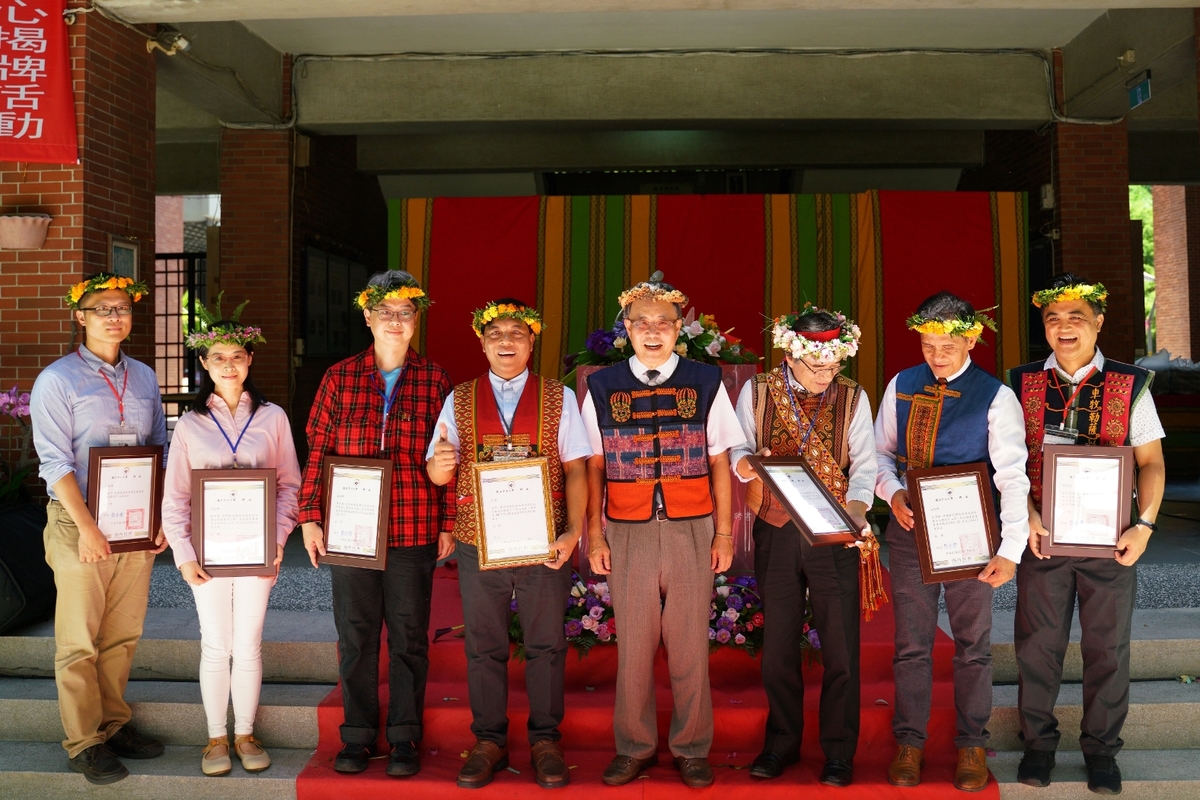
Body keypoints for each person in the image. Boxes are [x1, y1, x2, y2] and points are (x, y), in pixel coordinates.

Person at [581, 272, 744, 789]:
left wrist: (723, 534)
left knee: (690, 642)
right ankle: (634, 746)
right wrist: (597, 535)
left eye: (664, 324)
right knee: (634, 644)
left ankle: (692, 747)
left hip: (692, 526)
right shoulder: (602, 386)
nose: (653, 333)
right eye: (642, 323)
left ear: (681, 329)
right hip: (627, 530)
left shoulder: (705, 380)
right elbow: (594, 467)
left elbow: (720, 461)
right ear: (626, 329)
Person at [1009, 275, 1165, 795]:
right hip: (1042, 539)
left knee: (1108, 648)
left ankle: (1101, 751)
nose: (1063, 327)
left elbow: (1151, 462)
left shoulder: (1131, 382)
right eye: (1052, 318)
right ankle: (1038, 745)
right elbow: (1006, 464)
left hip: (1112, 541)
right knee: (1037, 647)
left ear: (1099, 321)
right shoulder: (1019, 382)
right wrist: (1026, 515)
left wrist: (1144, 526)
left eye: (1076, 316)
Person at [426, 298, 591, 789]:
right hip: (480, 541)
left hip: (544, 542)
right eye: (495, 333)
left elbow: (578, 466)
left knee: (545, 643)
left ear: (532, 341)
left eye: (516, 332)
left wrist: (573, 532)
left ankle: (545, 739)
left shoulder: (558, 397)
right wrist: (439, 463)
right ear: (481, 341)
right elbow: (438, 472)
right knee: (484, 645)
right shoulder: (458, 399)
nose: (505, 341)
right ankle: (489, 739)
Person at [297, 270, 455, 778]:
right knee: (356, 634)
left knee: (409, 636)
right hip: (350, 529)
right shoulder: (339, 377)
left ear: (416, 320)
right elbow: (317, 451)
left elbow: (451, 456)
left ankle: (405, 736)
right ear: (367, 317)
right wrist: (310, 515)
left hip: (414, 525)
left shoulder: (435, 380)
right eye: (384, 312)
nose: (394, 321)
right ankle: (359, 735)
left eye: (405, 313)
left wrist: (449, 520)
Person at [874, 292, 1030, 793]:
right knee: (911, 645)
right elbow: (879, 457)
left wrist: (1011, 549)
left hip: (972, 534)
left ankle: (971, 743)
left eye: (947, 345)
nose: (937, 355)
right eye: (927, 344)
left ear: (970, 339)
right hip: (909, 533)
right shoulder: (901, 384)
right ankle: (910, 743)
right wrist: (894, 494)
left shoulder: (996, 395)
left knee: (972, 647)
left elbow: (1012, 476)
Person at [729, 306, 878, 787]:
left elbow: (866, 463)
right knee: (778, 645)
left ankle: (838, 752)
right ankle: (781, 744)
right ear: (790, 357)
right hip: (775, 525)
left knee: (840, 646)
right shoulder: (756, 391)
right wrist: (748, 464)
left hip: (833, 530)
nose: (826, 375)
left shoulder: (853, 396)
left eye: (834, 365)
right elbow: (736, 450)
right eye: (817, 366)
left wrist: (857, 509)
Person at [29, 273, 168, 785]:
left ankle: (113, 724)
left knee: (122, 634)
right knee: (78, 639)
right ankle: (84, 740)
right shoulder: (58, 380)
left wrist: (159, 519)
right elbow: (54, 461)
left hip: (133, 524)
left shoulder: (146, 377)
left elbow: (159, 447)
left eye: (123, 308)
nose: (115, 316)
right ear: (80, 316)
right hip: (79, 521)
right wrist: (86, 527)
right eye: (103, 308)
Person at [160, 299, 301, 776]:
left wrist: (279, 538)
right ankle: (215, 738)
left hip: (261, 549)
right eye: (217, 357)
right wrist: (182, 554)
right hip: (208, 551)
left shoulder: (273, 417)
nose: (228, 364)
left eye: (237, 356)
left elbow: (290, 486)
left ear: (250, 360)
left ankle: (245, 731)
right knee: (216, 643)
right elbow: (175, 495)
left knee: (250, 643)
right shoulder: (191, 423)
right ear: (202, 362)